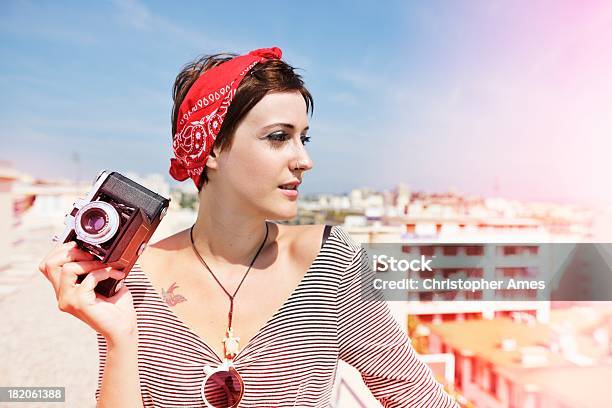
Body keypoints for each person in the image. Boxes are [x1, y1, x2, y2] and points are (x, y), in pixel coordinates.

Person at [39, 47, 458, 407]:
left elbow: (415, 392)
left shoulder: (333, 263)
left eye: (303, 139)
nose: (303, 160)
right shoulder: (137, 282)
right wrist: (119, 336)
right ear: (213, 148)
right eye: (279, 137)